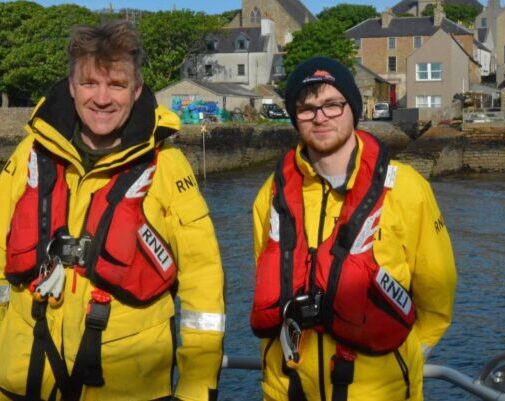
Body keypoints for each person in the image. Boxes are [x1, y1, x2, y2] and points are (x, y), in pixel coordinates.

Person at [0, 21, 225, 401]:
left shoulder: (167, 167)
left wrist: (197, 385)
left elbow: (203, 286)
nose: (102, 98)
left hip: (127, 384)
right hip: (24, 378)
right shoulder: (29, 155)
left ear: (136, 91)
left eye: (117, 85)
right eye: (90, 83)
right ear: (72, 87)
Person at [250, 56, 456, 401]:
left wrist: (403, 360)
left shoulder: (408, 189)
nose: (320, 117)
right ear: (294, 117)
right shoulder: (270, 197)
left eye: (333, 104)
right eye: (306, 108)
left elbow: (437, 296)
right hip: (287, 389)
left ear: (352, 108)